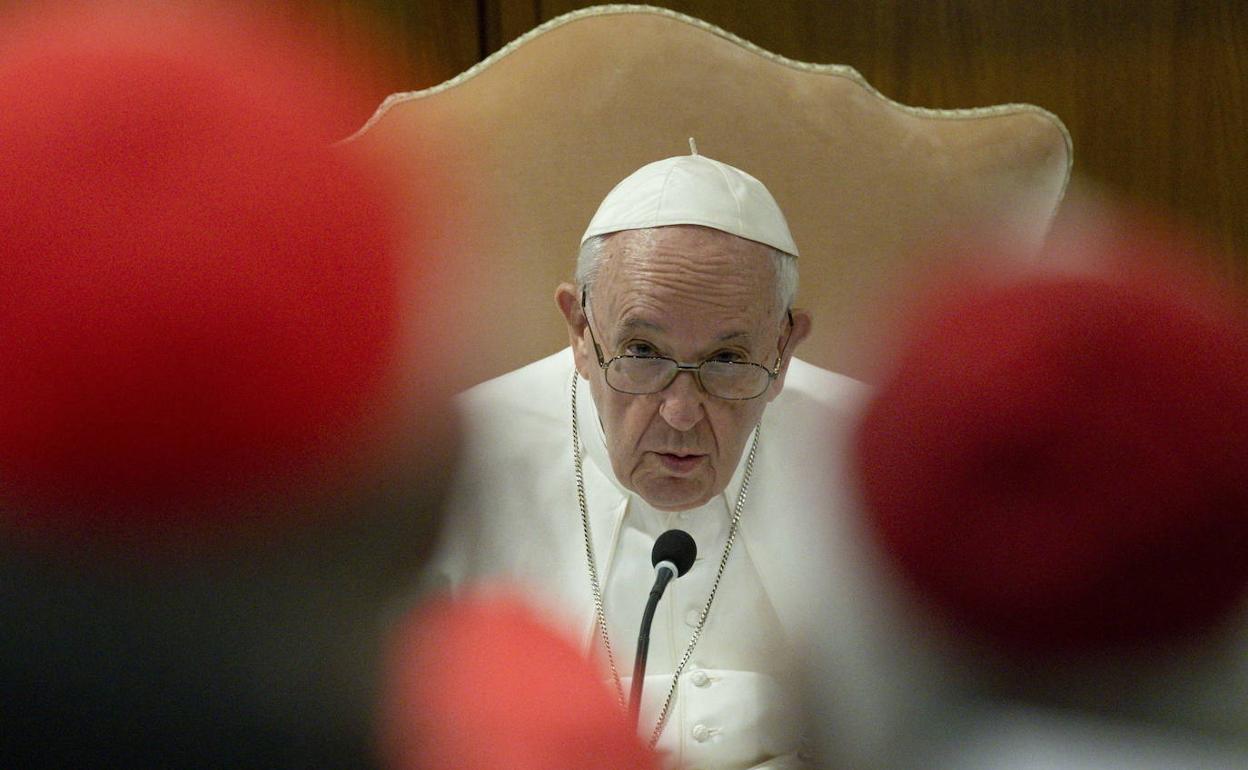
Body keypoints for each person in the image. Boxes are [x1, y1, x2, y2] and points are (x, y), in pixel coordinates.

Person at [428, 146, 872, 770]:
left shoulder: (877, 457)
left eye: (726, 360)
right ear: (581, 332)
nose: (681, 411)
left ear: (784, 348)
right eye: (642, 351)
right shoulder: (453, 462)